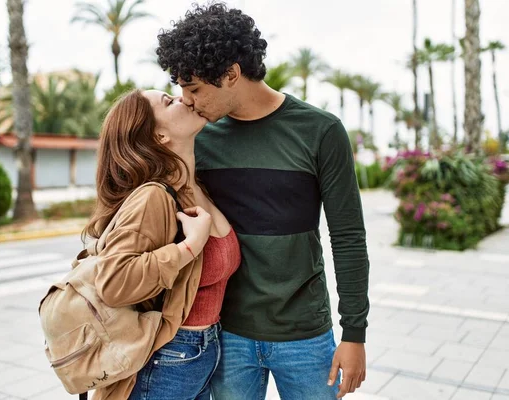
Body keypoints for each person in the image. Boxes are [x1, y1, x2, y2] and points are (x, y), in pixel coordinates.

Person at [156, 4, 370, 399]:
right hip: (226, 336)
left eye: (195, 88)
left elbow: (349, 237)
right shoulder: (198, 139)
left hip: (304, 335)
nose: (186, 101)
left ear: (232, 74)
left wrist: (354, 334)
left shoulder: (321, 131)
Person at [84, 89, 241, 400]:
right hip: (167, 359)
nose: (184, 98)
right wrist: (187, 248)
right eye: (169, 102)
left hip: (199, 354)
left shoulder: (193, 187)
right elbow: (113, 282)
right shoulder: (153, 198)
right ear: (159, 137)